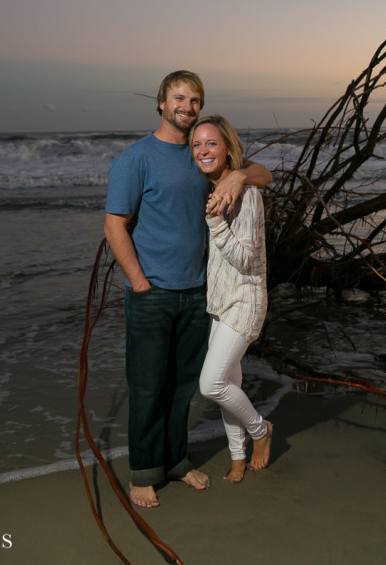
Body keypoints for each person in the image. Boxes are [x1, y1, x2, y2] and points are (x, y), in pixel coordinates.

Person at [103, 71, 271, 508]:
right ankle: (144, 472)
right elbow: (114, 226)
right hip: (152, 292)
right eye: (178, 98)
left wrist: (238, 176)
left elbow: (264, 174)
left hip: (198, 293)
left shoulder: (202, 153)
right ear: (161, 102)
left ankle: (176, 462)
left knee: (182, 388)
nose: (187, 107)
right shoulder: (135, 159)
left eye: (194, 100)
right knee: (147, 388)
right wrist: (139, 284)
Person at [190, 115, 274, 483]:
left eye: (211, 143)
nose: (203, 150)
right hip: (220, 303)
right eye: (197, 145)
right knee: (230, 385)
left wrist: (215, 223)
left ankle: (261, 430)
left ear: (227, 148)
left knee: (211, 384)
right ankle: (237, 456)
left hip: (244, 302)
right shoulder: (213, 187)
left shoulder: (247, 194)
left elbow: (244, 259)